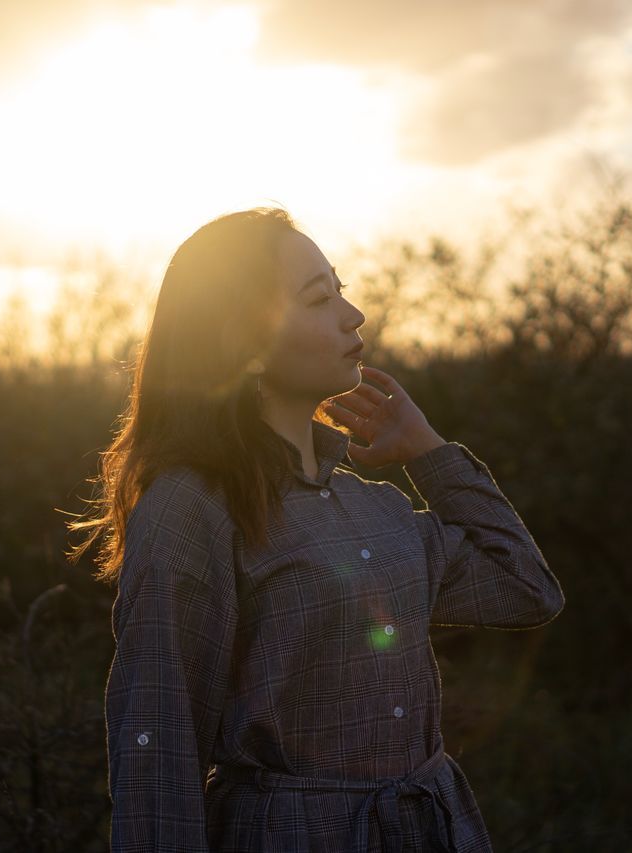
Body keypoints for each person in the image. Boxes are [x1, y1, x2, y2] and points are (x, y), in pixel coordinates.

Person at [66, 206, 564, 852]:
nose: (352, 316)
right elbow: (160, 741)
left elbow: (526, 586)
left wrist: (428, 452)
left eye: (342, 291)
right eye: (318, 298)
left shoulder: (378, 509)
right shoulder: (190, 508)